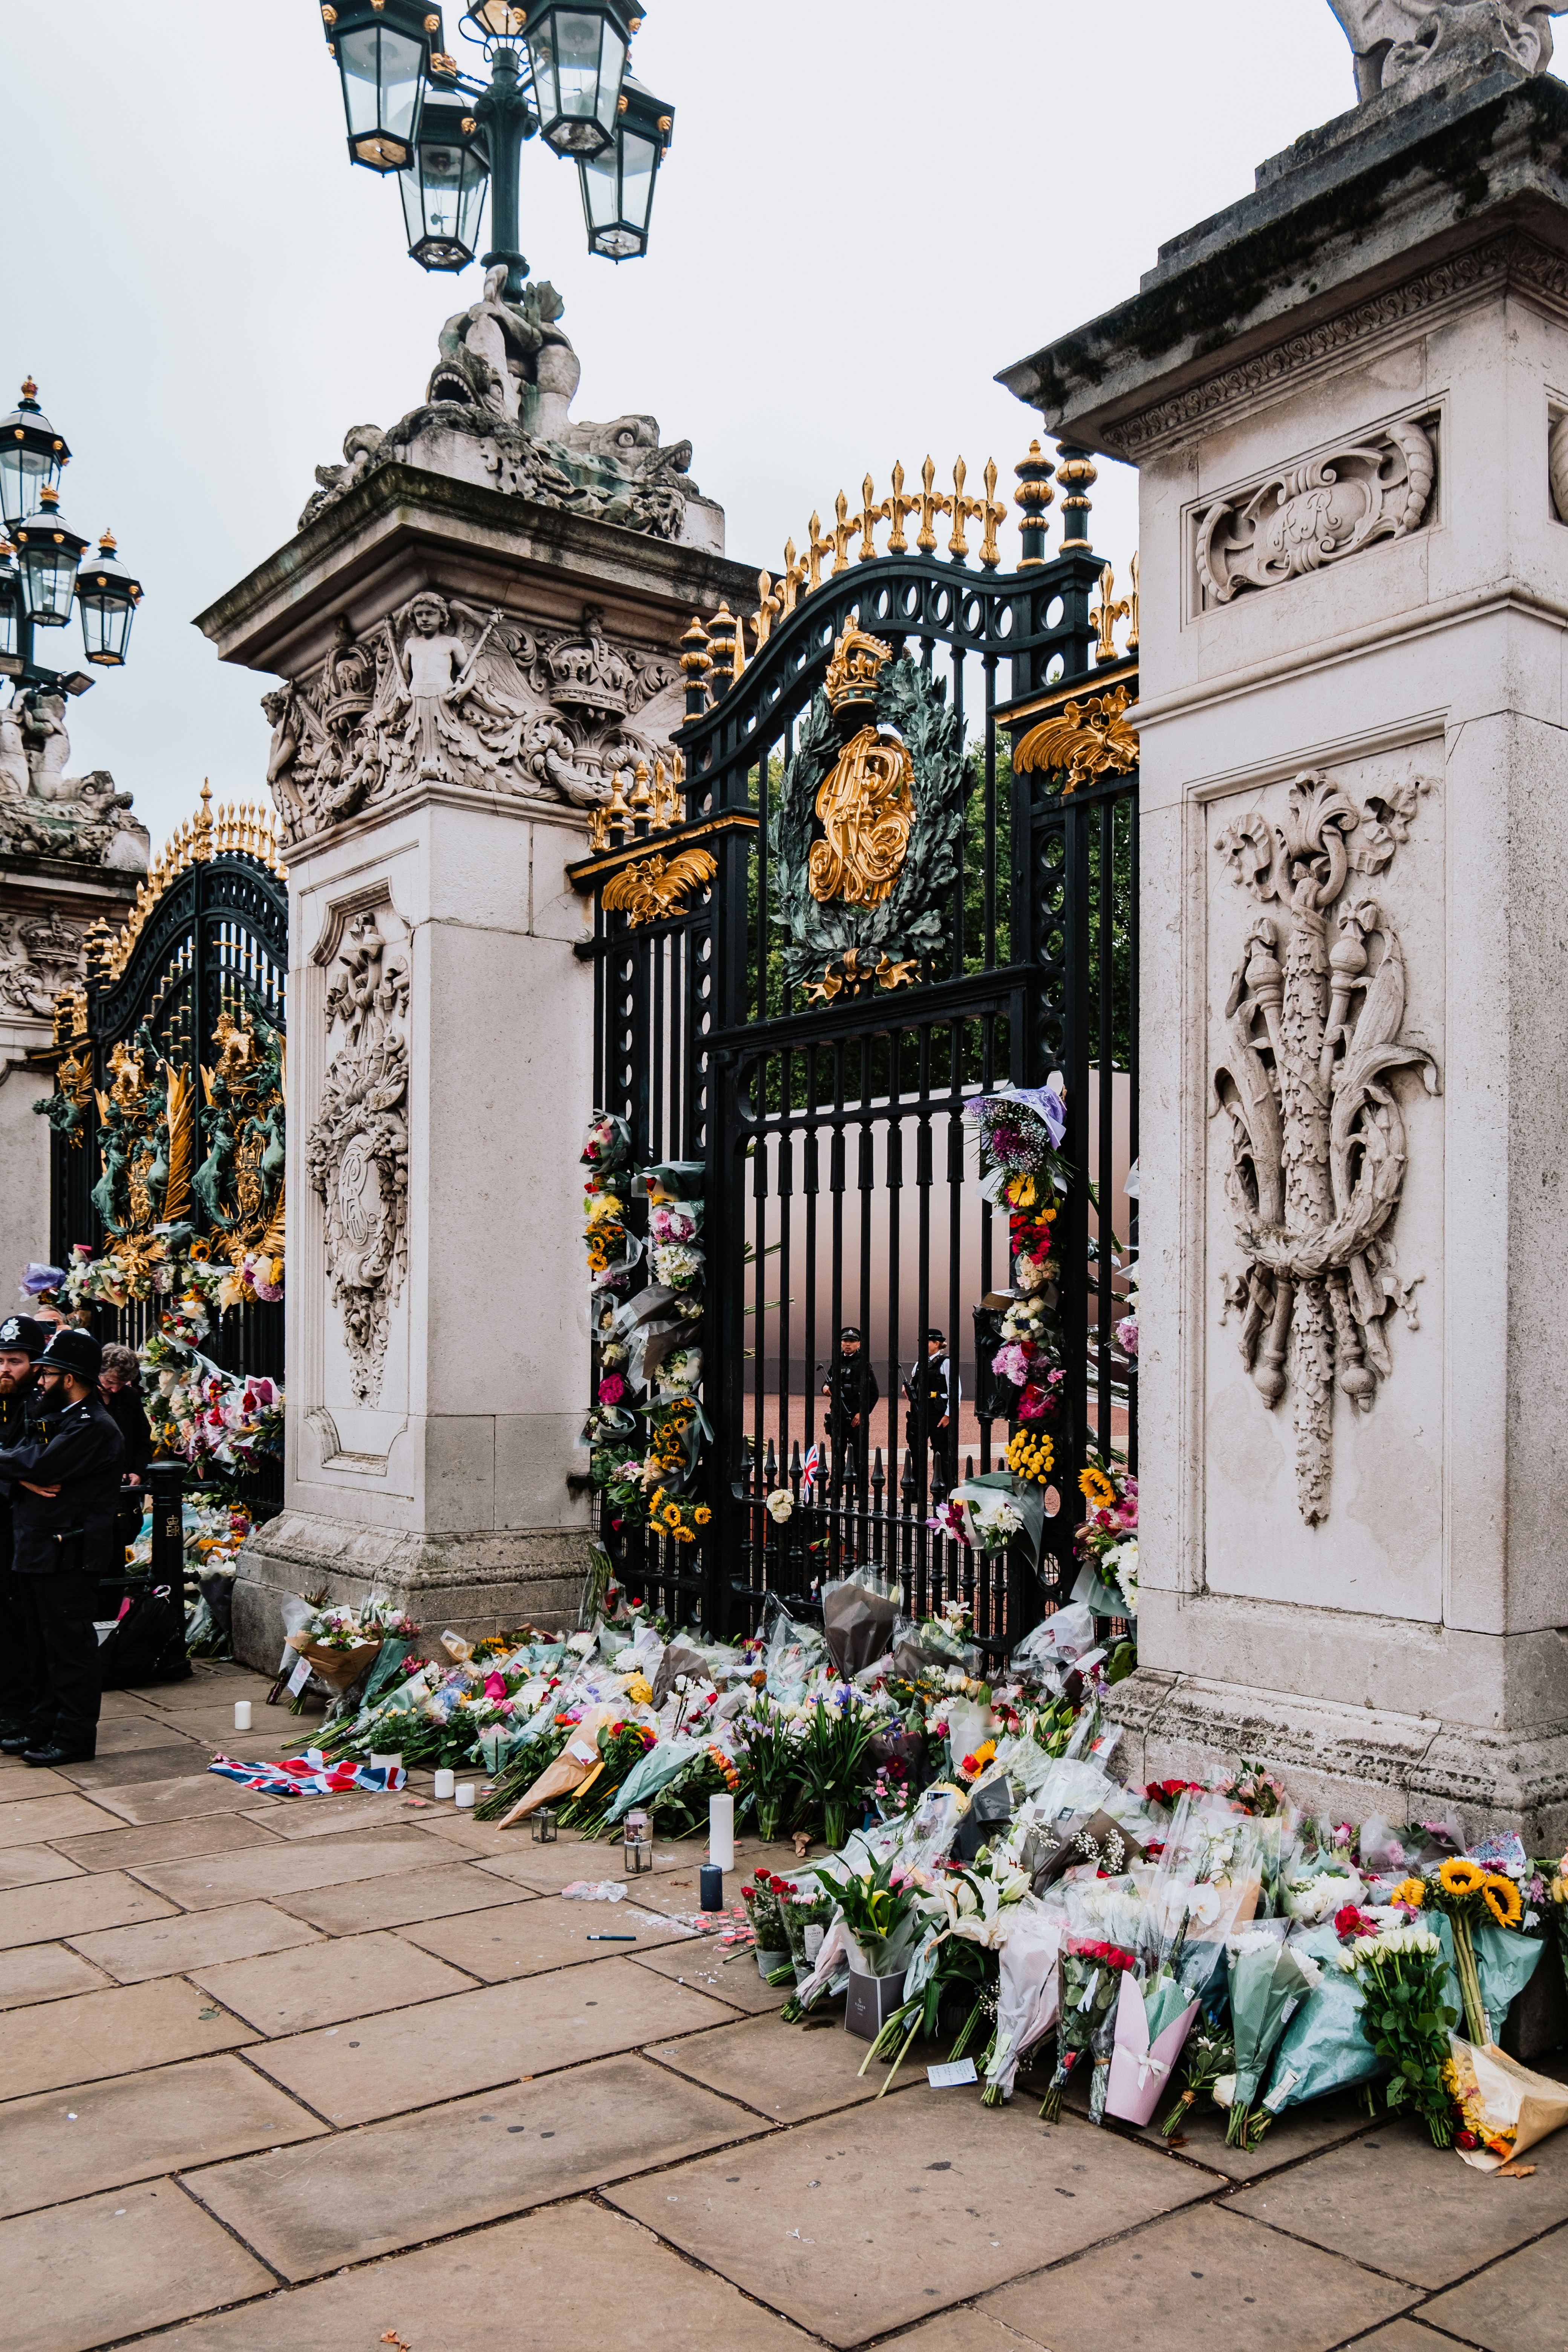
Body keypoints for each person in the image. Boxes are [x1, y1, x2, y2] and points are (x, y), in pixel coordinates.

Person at [0, 1328, 125, 1766]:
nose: (40, 1381)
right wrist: (18, 1472)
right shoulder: (60, 1417)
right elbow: (19, 1457)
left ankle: (73, 1737)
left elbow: (39, 1463)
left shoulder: (93, 1426)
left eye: (47, 1374)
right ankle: (41, 1724)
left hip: (66, 1555)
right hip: (37, 1550)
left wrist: (20, 1469)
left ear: (69, 1378)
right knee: (42, 1649)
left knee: (70, 1651)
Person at [0, 1315, 52, 1741]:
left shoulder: (42, 1404)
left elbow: (42, 1461)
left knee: (20, 1625)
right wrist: (15, 1474)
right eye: (0, 1360)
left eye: (14, 1361)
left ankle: (19, 1711)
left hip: (24, 1532)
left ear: (35, 1365)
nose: (4, 1369)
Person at [99, 1342, 152, 1556]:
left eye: (122, 1383)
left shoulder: (129, 1397)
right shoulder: (82, 1395)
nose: (115, 1389)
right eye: (111, 1382)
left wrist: (138, 1471)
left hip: (125, 1492)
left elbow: (142, 1439)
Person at [821, 1326, 879, 1498]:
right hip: (838, 1416)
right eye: (845, 1341)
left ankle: (861, 1490)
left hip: (856, 1416)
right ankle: (836, 1487)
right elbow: (827, 1382)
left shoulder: (864, 1363)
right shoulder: (837, 1361)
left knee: (859, 1454)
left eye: (852, 1342)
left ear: (858, 1344)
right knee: (838, 1453)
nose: (848, 1344)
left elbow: (874, 1393)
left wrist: (862, 1413)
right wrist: (825, 1387)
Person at [902, 1327, 960, 1487]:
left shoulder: (946, 1362)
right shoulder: (919, 1363)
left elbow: (956, 1391)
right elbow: (913, 1384)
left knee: (941, 1453)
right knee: (917, 1452)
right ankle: (916, 1491)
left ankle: (944, 1490)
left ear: (936, 1344)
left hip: (938, 1413)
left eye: (925, 1342)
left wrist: (949, 1415)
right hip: (919, 1413)